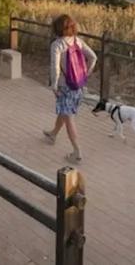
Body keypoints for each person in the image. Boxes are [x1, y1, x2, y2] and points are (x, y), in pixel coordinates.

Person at [43, 14, 97, 162]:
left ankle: (77, 152)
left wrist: (54, 86)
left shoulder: (57, 44)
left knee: (69, 118)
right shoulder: (78, 41)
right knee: (65, 112)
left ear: (58, 28)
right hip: (78, 87)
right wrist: (86, 74)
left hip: (65, 87)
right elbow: (93, 57)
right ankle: (53, 134)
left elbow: (55, 67)